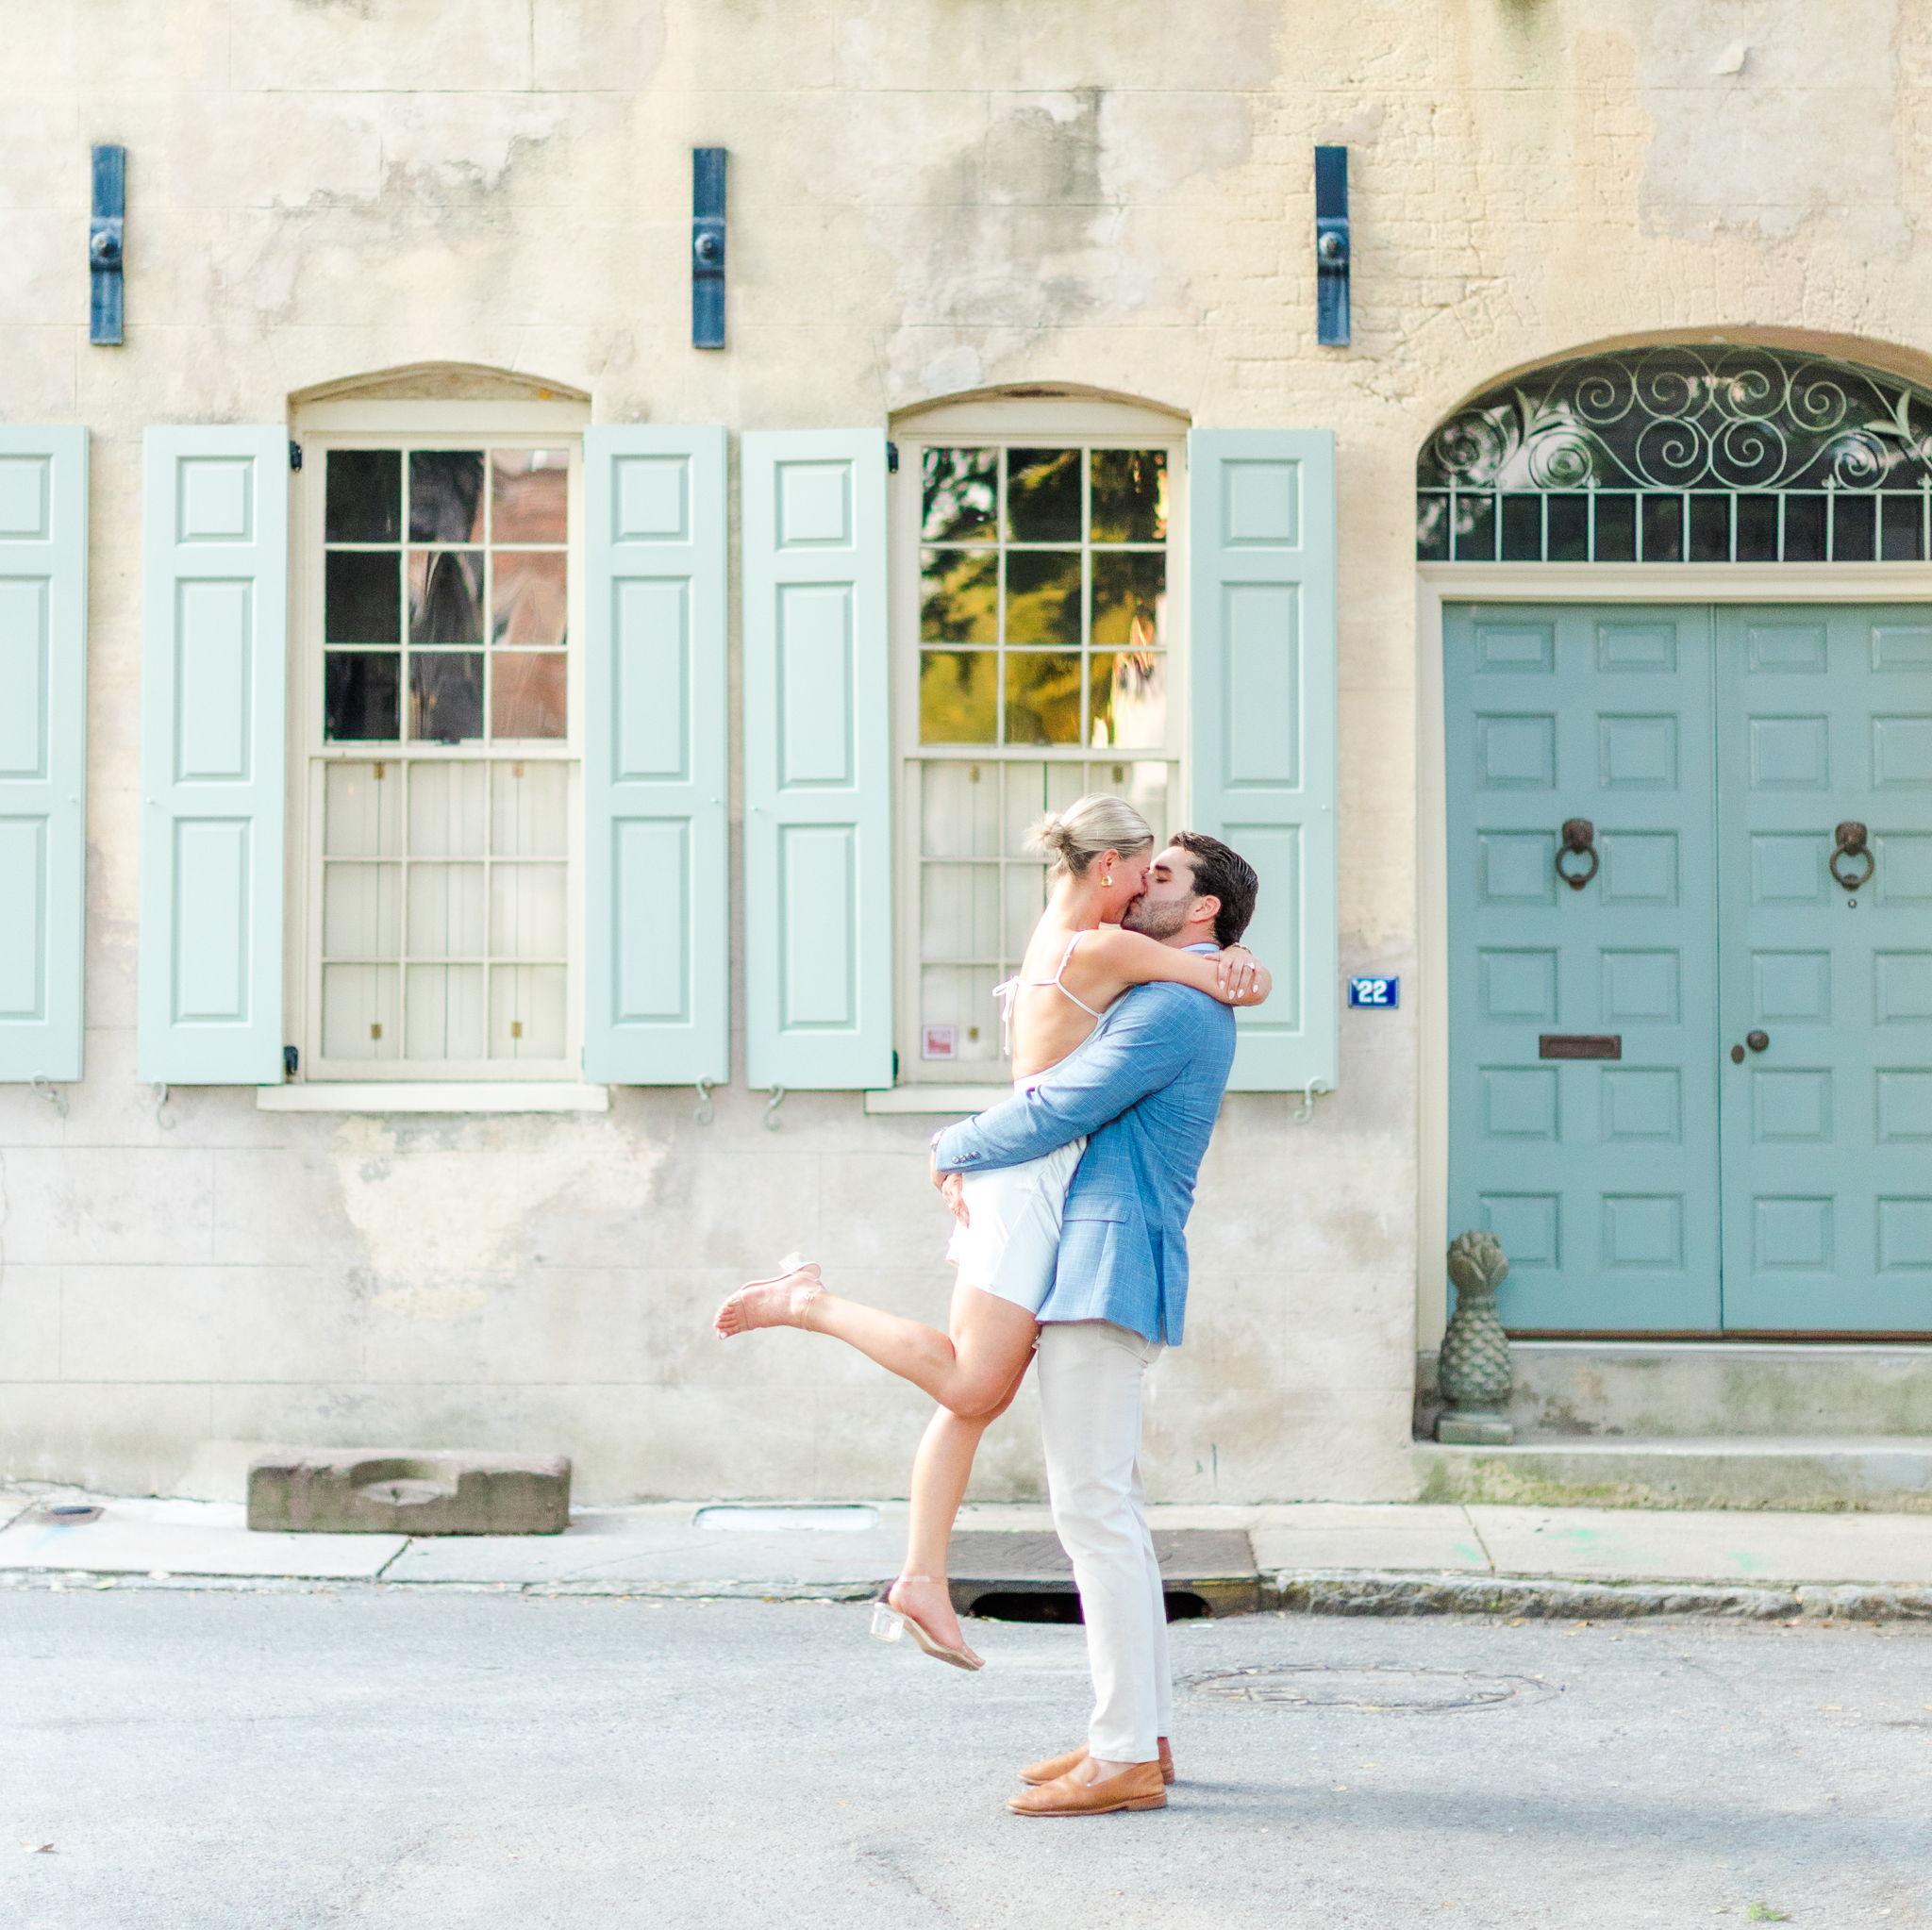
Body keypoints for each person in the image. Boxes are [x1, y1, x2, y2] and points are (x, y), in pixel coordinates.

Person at [712, 799, 1268, 1676]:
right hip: (1028, 1169)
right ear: (1109, 868)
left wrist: (1234, 957)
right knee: (974, 1381)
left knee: (975, 1397)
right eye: (1143, 870)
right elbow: (1221, 982)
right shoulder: (1108, 948)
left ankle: (920, 1578)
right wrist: (1240, 965)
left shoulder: (1069, 936)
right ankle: (807, 1303)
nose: (1143, 886)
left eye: (1163, 876)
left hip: (1029, 1168)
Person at [932, 828, 1259, 1818]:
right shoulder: (1177, 990)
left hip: (1106, 1268)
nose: (1138, 886)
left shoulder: (1171, 1005)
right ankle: (1138, 1734)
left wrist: (947, 1146)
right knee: (1109, 1511)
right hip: (1108, 1265)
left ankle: (1121, 1757)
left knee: (1091, 1514)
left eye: (1162, 877)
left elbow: (1062, 1106)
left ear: (1204, 908)